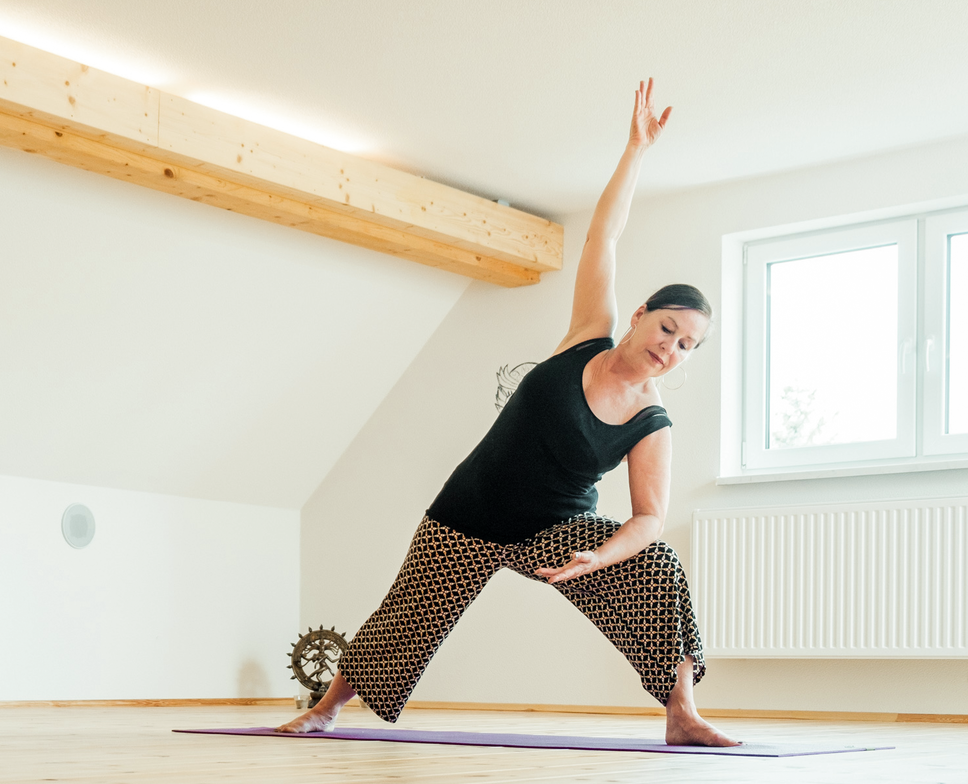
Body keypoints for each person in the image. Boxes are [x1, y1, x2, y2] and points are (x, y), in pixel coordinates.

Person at [279, 79, 737, 747]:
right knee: (407, 615)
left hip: (552, 530)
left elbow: (647, 516)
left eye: (686, 346)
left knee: (656, 566)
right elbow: (602, 239)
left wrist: (598, 554)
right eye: (667, 329)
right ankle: (326, 706)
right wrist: (634, 151)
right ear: (639, 315)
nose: (670, 348)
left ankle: (681, 713)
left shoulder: (650, 422)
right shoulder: (586, 334)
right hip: (466, 512)